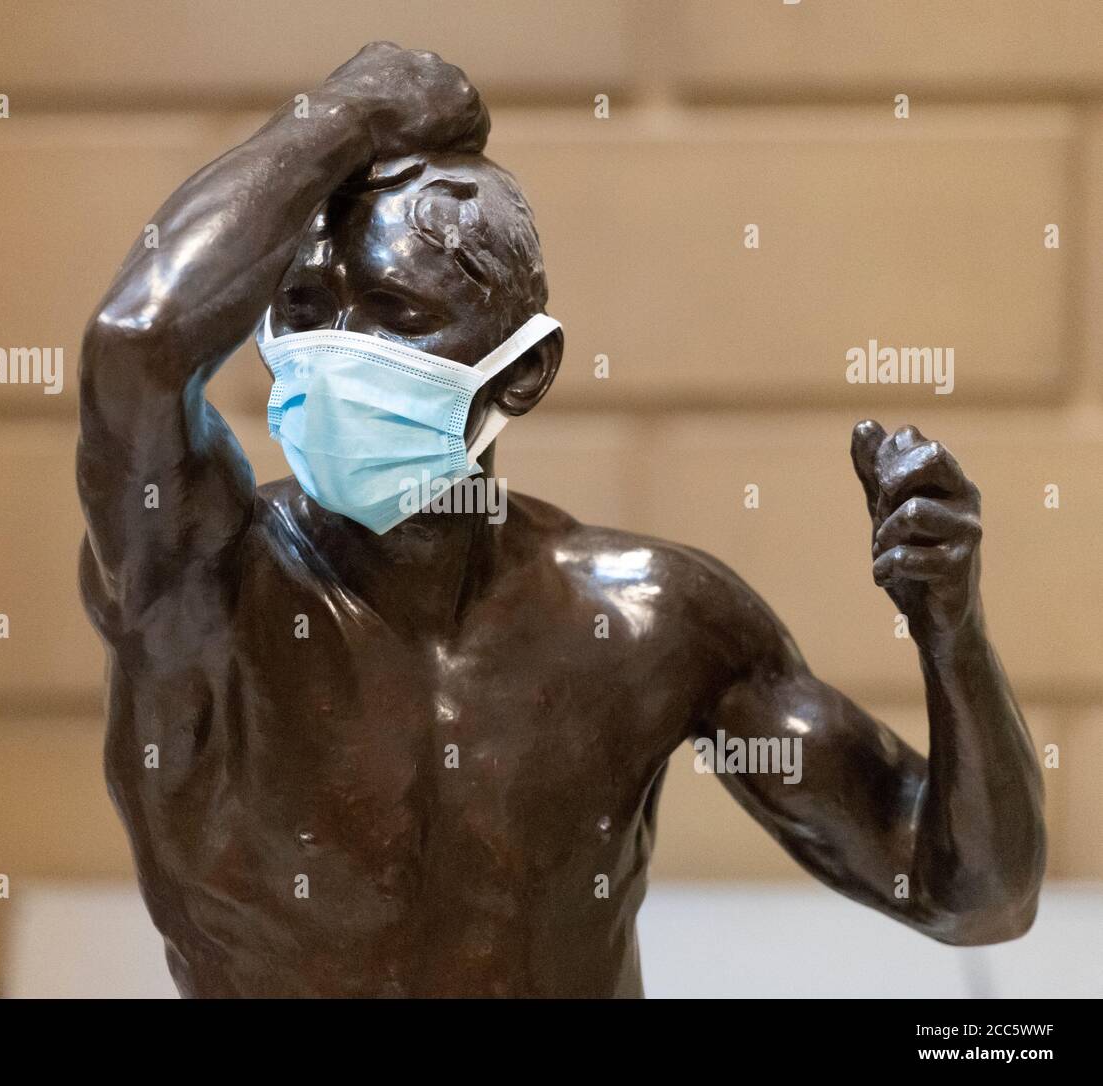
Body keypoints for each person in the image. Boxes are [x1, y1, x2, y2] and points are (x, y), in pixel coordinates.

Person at [76, 42, 1045, 997]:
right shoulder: (199, 578)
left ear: (524, 370)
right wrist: (356, 111)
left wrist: (949, 630)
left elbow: (972, 899)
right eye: (304, 306)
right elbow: (137, 344)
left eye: (394, 312)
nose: (337, 349)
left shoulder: (650, 620)